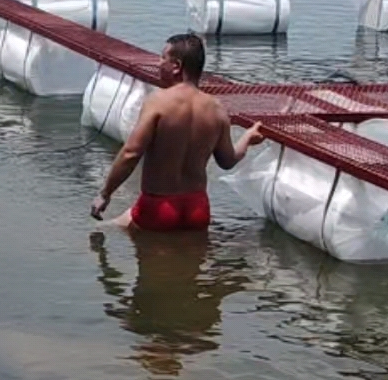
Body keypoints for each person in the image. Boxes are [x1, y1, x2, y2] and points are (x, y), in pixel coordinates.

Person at [90, 31, 264, 231]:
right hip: (198, 208)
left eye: (162, 57)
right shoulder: (217, 109)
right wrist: (247, 138)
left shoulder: (158, 102)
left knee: (104, 230)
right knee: (190, 251)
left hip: (158, 207)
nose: (158, 63)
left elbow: (131, 153)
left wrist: (105, 194)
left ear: (176, 66)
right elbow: (227, 161)